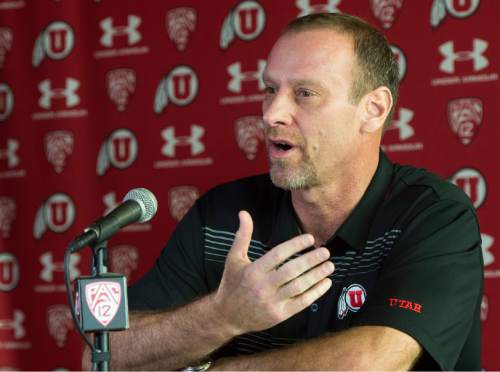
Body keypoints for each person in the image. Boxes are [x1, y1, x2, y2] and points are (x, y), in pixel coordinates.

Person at [87, 12, 483, 370]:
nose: (270, 113)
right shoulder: (222, 215)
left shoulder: (433, 215)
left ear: (374, 109)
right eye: (270, 89)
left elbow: (370, 362)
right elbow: (102, 355)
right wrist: (223, 316)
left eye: (304, 94)